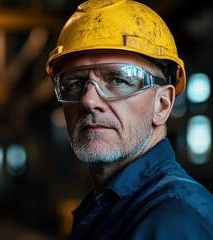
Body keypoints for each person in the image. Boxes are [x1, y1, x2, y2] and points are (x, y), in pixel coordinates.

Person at [46, 0, 213, 239]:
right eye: (74, 83)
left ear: (162, 105)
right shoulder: (108, 208)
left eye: (117, 80)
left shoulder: (176, 220)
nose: (88, 100)